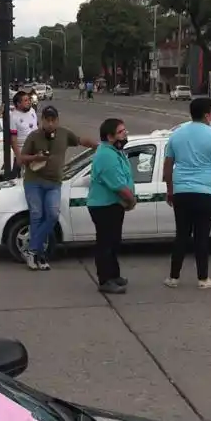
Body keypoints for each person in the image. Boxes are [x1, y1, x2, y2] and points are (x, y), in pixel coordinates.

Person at [17, 106, 97, 270]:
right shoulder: (34, 136)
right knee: (37, 215)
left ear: (58, 120)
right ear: (42, 121)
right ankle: (40, 256)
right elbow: (21, 159)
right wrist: (35, 157)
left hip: (54, 183)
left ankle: (32, 250)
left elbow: (81, 141)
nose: (51, 124)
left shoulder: (64, 134)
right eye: (48, 120)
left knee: (52, 215)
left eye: (54, 120)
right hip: (34, 182)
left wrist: (99, 145)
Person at [162, 97, 211, 290]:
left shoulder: (177, 135)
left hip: (182, 192)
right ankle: (203, 279)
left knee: (181, 235)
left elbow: (167, 167)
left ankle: (173, 278)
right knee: (201, 236)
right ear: (208, 114)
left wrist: (170, 190)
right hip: (205, 192)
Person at [87, 118, 137, 294]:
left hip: (113, 205)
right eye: (121, 132)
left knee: (114, 242)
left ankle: (114, 275)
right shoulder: (106, 155)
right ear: (110, 136)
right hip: (104, 206)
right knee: (106, 243)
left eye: (125, 131)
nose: (125, 134)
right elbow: (117, 185)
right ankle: (105, 279)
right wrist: (131, 200)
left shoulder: (115, 151)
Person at [9, 91, 38, 179]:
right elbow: (13, 139)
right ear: (18, 103)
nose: (29, 102)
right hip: (23, 151)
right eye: (25, 100)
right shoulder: (13, 116)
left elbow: (37, 127)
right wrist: (19, 157)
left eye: (29, 100)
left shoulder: (32, 111)